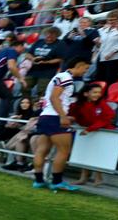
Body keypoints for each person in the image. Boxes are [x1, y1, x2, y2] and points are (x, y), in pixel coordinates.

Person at [31, 57, 92, 192]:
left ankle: (38, 180)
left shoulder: (60, 76)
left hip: (45, 116)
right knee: (64, 150)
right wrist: (63, 116)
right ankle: (57, 182)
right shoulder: (66, 78)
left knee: (42, 149)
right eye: (86, 68)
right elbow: (55, 97)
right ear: (79, 65)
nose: (86, 72)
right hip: (55, 117)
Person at [70, 83, 115, 186]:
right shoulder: (78, 105)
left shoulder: (102, 103)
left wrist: (90, 129)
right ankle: (83, 178)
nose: (97, 94)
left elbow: (108, 117)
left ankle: (98, 178)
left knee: (98, 155)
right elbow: (73, 115)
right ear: (86, 94)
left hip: (102, 132)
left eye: (99, 92)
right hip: (87, 132)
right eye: (95, 92)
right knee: (86, 154)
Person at [0, 96, 39, 171]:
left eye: (27, 103)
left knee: (20, 139)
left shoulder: (34, 113)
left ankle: (20, 163)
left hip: (30, 133)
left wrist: (18, 125)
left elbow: (30, 126)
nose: (24, 104)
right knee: (8, 137)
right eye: (22, 103)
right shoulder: (18, 113)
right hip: (23, 132)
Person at [27, 26, 67, 100]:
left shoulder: (60, 43)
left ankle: (39, 107)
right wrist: (33, 59)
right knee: (25, 86)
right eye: (48, 33)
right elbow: (28, 54)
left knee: (42, 91)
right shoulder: (39, 41)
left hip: (48, 71)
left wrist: (46, 62)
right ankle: (26, 105)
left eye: (52, 34)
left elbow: (60, 59)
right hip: (33, 69)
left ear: (57, 35)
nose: (49, 36)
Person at [96, 10, 118, 84]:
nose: (111, 21)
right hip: (102, 56)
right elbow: (100, 42)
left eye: (114, 20)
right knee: (100, 78)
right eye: (109, 20)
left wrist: (112, 53)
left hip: (114, 58)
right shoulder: (104, 29)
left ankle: (110, 94)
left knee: (110, 79)